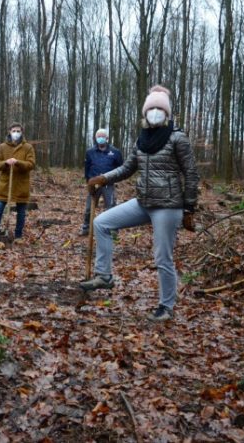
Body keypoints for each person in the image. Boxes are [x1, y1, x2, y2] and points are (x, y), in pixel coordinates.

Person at [81, 85, 199, 322]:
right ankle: (104, 276)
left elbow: (191, 173)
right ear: (145, 113)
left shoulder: (178, 138)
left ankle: (166, 306)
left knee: (162, 257)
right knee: (102, 223)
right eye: (151, 108)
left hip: (168, 205)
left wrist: (189, 208)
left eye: (159, 108)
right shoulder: (142, 139)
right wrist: (104, 178)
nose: (155, 112)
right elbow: (128, 168)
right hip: (143, 202)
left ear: (167, 113)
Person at [0, 122, 36, 244]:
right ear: (9, 131)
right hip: (5, 185)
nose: (16, 133)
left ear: (22, 132)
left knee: (21, 212)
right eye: (14, 131)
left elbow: (31, 164)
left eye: (18, 131)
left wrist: (18, 162)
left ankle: (18, 236)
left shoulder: (28, 147)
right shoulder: (2, 147)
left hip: (21, 185)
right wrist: (6, 163)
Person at [80, 128, 123, 235]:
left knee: (111, 207)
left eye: (102, 137)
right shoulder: (90, 152)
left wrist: (114, 180)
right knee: (89, 208)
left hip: (108, 184)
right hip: (93, 184)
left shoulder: (115, 152)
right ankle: (86, 228)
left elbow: (121, 168)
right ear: (95, 138)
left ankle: (113, 231)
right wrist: (88, 181)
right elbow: (87, 167)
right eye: (98, 137)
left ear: (107, 138)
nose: (100, 139)